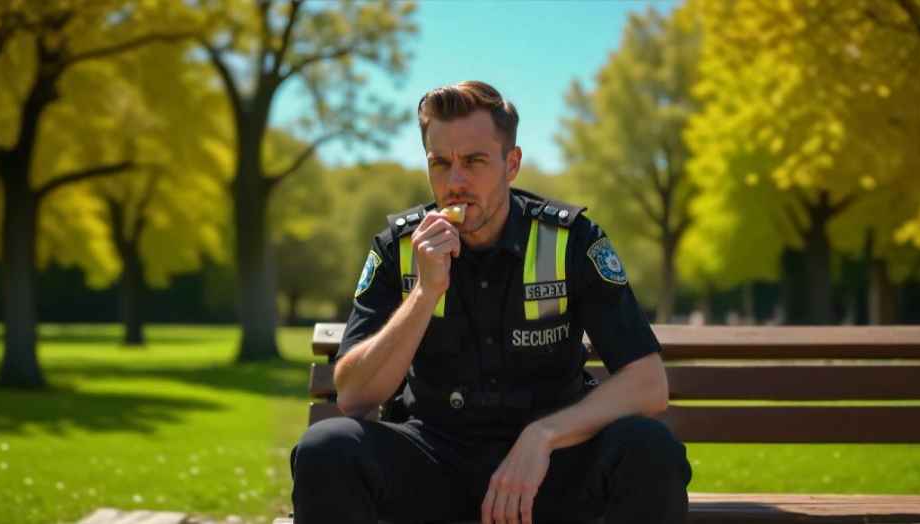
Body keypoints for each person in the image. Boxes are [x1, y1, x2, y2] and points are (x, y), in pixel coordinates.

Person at [290, 81, 691, 524]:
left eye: (474, 161)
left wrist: (543, 436)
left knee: (651, 450)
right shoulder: (399, 248)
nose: (455, 182)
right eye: (440, 163)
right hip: (432, 462)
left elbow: (648, 384)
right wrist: (425, 293)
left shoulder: (570, 240)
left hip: (551, 466)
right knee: (326, 450)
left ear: (511, 164)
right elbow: (354, 396)